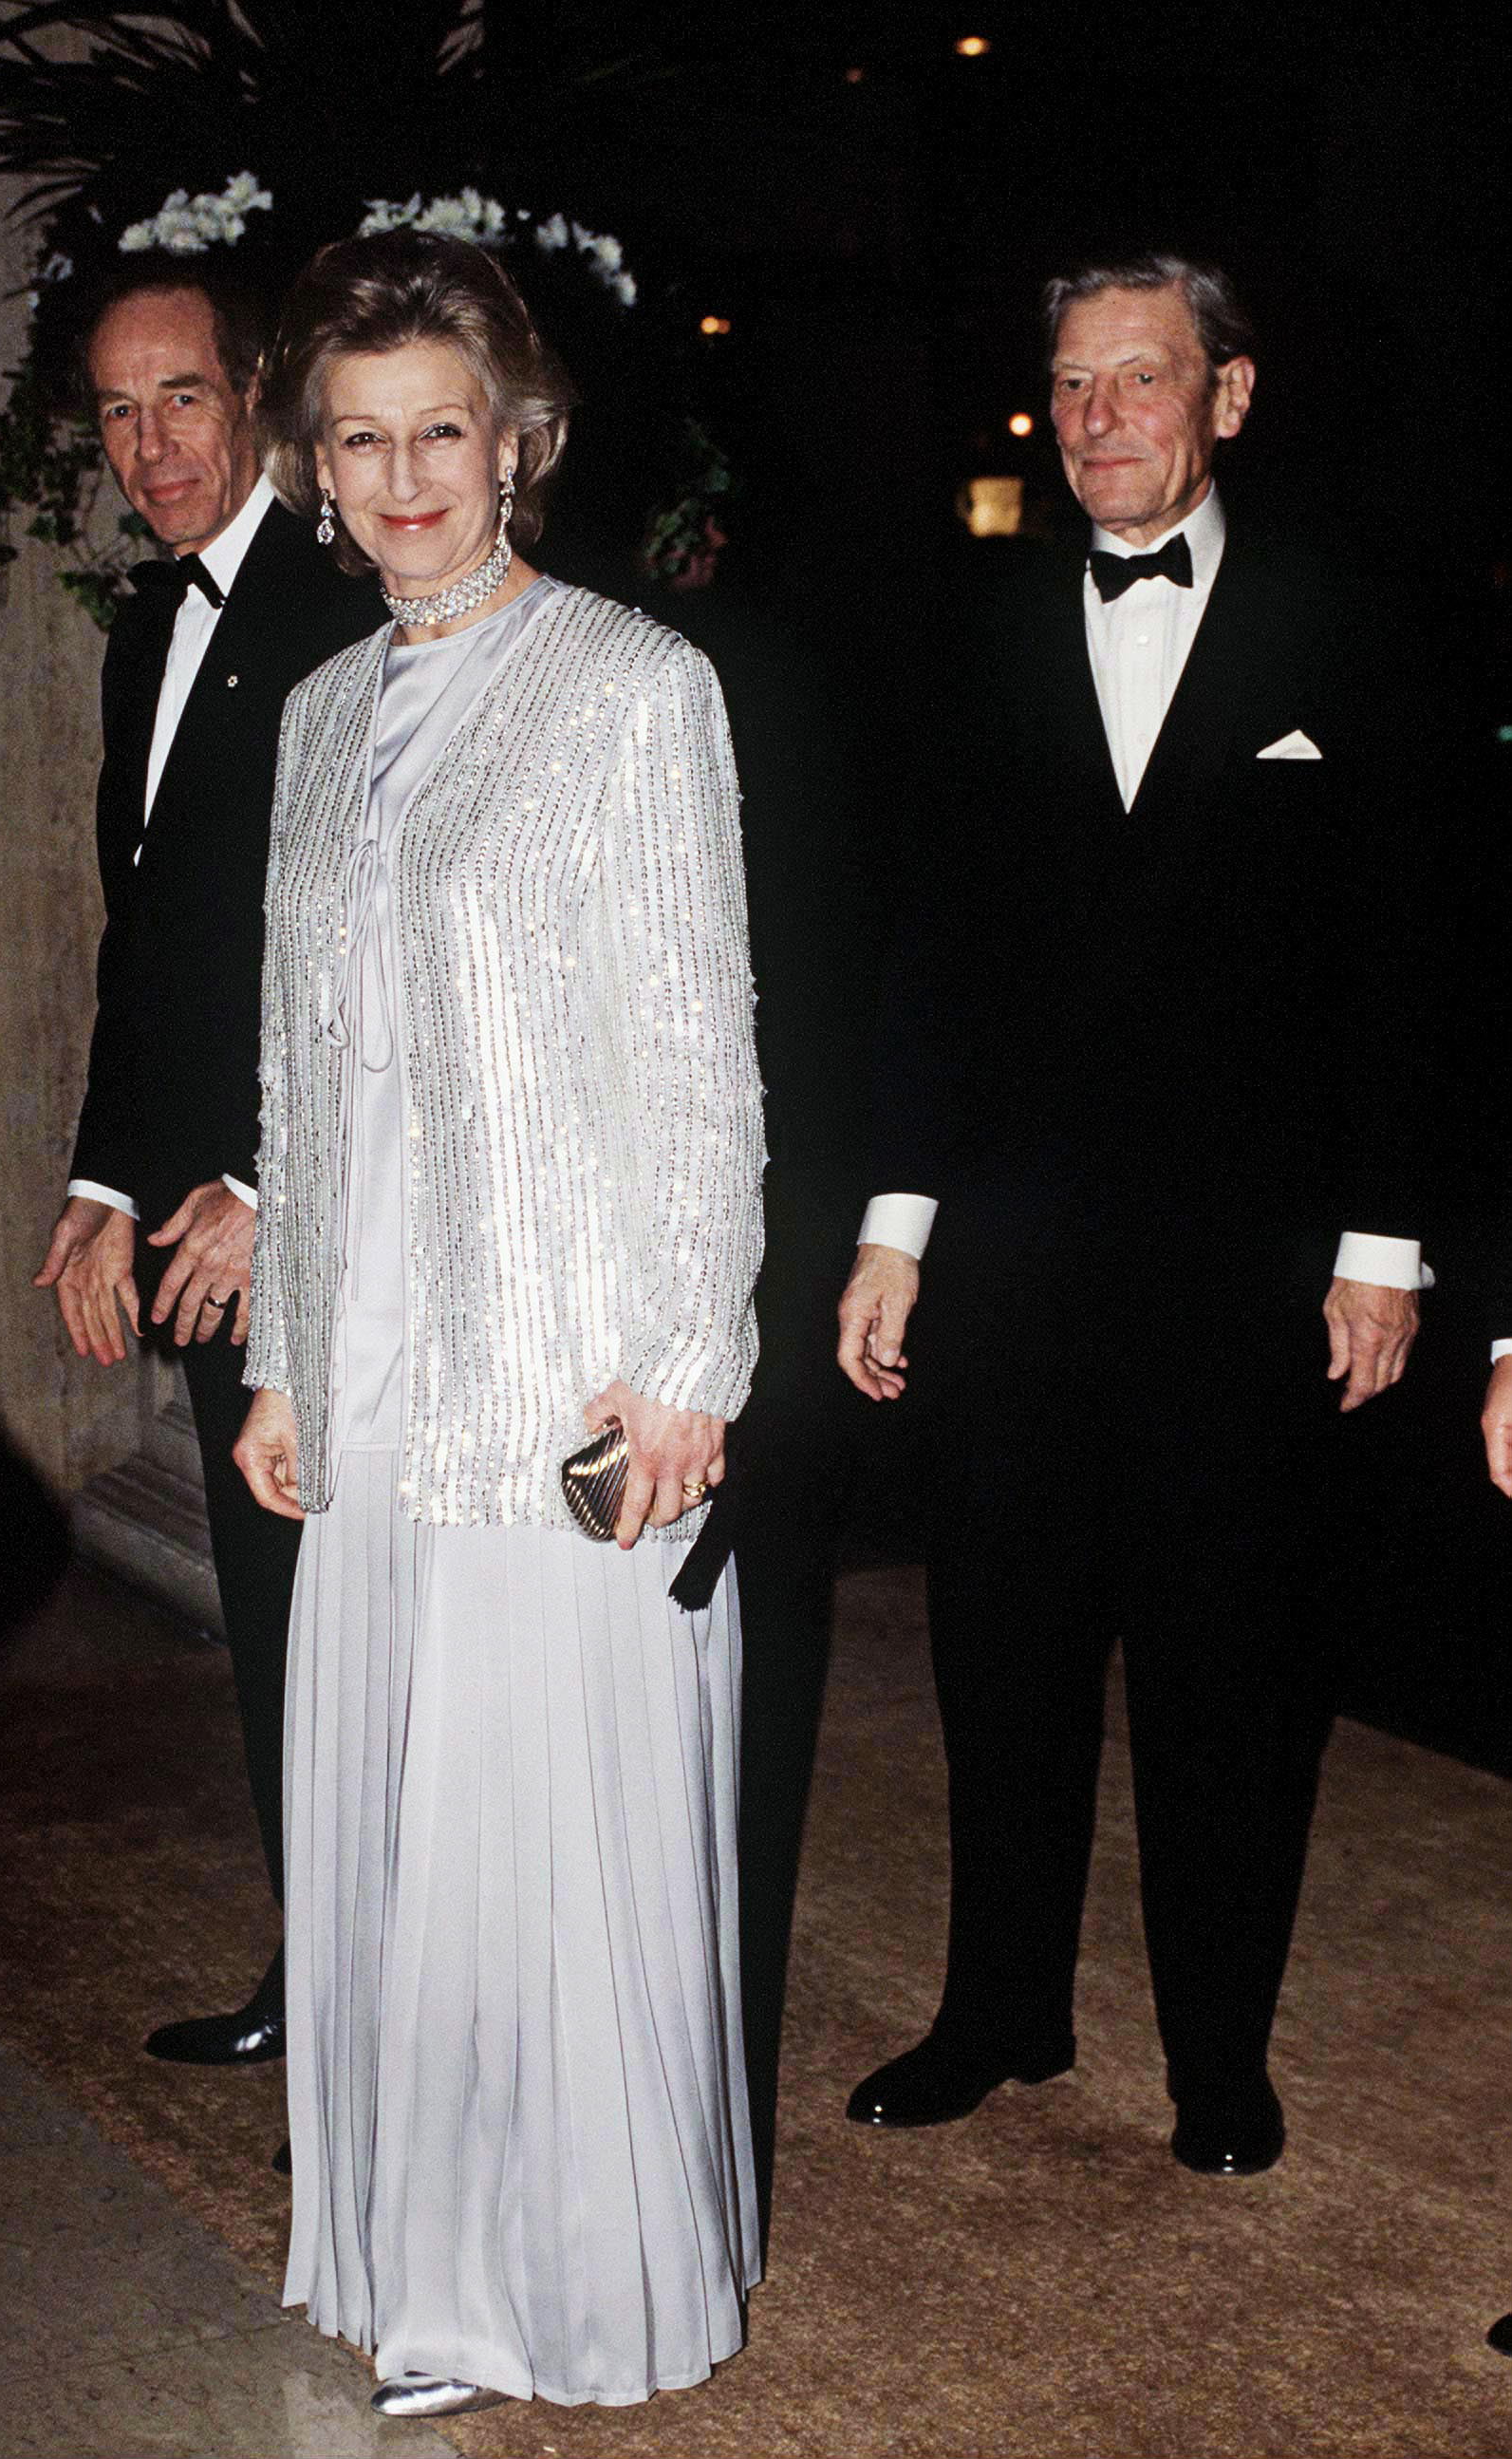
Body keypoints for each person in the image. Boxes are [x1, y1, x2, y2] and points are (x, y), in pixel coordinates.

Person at [233, 230, 764, 2420]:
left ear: (517, 438)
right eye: (359, 442)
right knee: (398, 1828)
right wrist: (278, 1343)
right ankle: (417, 2250)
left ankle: (552, 2278)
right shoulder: (318, 712)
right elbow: (298, 1058)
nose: (403, 474)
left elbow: (703, 1052)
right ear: (317, 472)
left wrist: (691, 1363)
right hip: (371, 1357)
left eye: (439, 431)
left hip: (568, 1358)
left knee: (542, 1836)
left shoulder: (638, 688)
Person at [836, 253, 1432, 2175]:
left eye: (1140, 380)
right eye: (1073, 383)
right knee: (998, 1647)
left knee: (1224, 1675)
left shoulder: (1354, 624)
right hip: (1007, 1255)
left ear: (1228, 398)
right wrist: (894, 1223)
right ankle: (1000, 2005)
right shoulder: (972, 619)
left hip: (1244, 1266)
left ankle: (1216, 2053)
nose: (1098, 417)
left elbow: (1424, 961)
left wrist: (1384, 1244)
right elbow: (922, 947)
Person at [32, 257, 378, 2072]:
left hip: (320, 1207)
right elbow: (150, 937)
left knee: (346, 1622)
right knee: (272, 1617)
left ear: (250, 394)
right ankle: (324, 1976)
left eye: (179, 396)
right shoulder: (143, 629)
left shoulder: (345, 608)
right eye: (114, 408)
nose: (149, 442)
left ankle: (378, 2006)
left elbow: (364, 948)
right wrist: (104, 1174)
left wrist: (263, 1172)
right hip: (188, 1214)